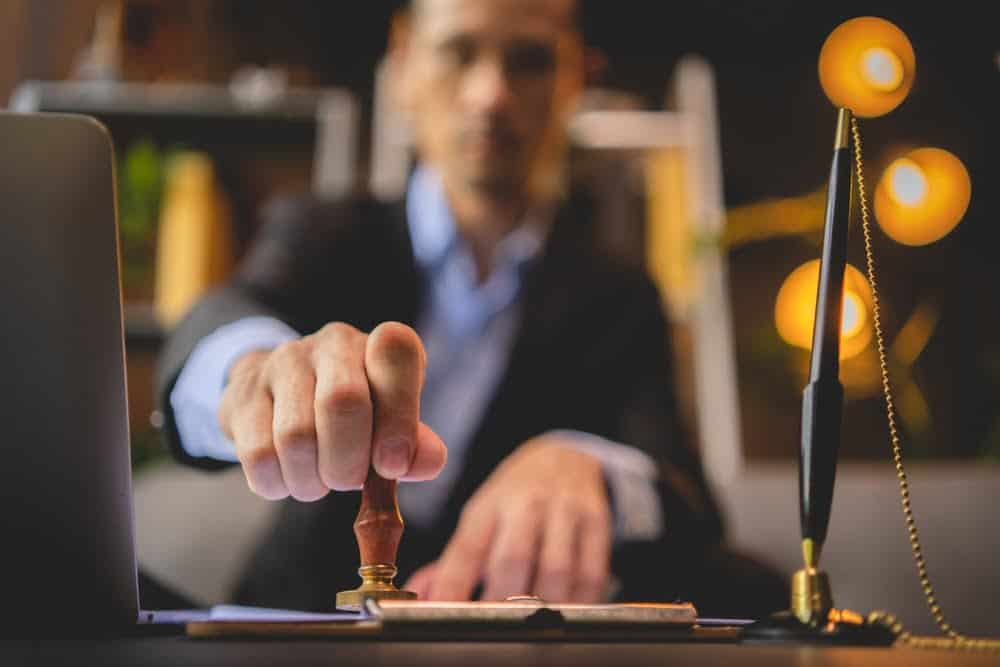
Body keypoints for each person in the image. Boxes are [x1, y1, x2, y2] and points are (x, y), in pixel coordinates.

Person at [156, 0, 785, 614]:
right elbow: (226, 317)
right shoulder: (324, 234)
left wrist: (591, 466)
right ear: (401, 66)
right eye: (458, 52)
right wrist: (252, 372)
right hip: (302, 621)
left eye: (531, 60)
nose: (491, 95)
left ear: (578, 79)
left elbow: (687, 501)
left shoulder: (619, 296)